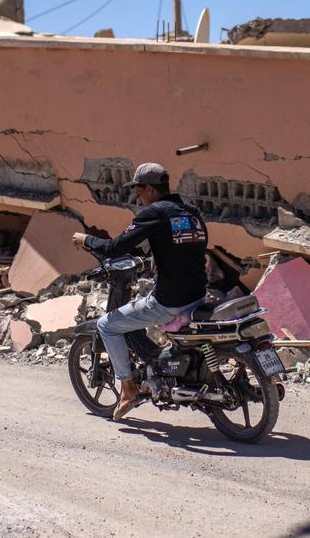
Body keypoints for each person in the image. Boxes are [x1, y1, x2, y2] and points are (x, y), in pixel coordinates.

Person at [72, 162, 208, 420]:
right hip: (197, 295)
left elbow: (115, 247)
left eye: (139, 189)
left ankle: (128, 388)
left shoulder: (154, 213)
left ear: (150, 189)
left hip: (170, 301)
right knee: (134, 315)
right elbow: (192, 247)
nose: (138, 195)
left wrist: (86, 239)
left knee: (107, 325)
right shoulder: (190, 211)